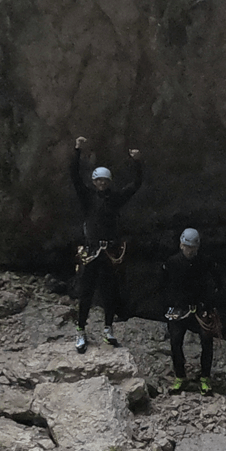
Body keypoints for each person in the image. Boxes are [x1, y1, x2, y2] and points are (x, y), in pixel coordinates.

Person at [71, 136, 142, 352]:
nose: (101, 183)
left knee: (110, 291)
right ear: (94, 182)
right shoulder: (87, 197)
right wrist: (77, 151)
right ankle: (81, 331)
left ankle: (108, 329)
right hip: (91, 250)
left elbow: (135, 185)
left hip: (110, 251)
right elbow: (74, 177)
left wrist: (137, 162)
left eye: (105, 180)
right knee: (86, 292)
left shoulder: (115, 198)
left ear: (109, 182)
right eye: (98, 180)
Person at [162, 227, 222, 395]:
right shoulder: (173, 262)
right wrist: (169, 304)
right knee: (175, 341)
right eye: (187, 247)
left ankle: (205, 378)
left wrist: (210, 305)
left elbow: (217, 282)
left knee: (206, 340)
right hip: (179, 309)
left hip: (199, 309)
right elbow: (163, 285)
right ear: (181, 245)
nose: (190, 250)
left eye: (193, 247)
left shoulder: (204, 262)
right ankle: (180, 376)